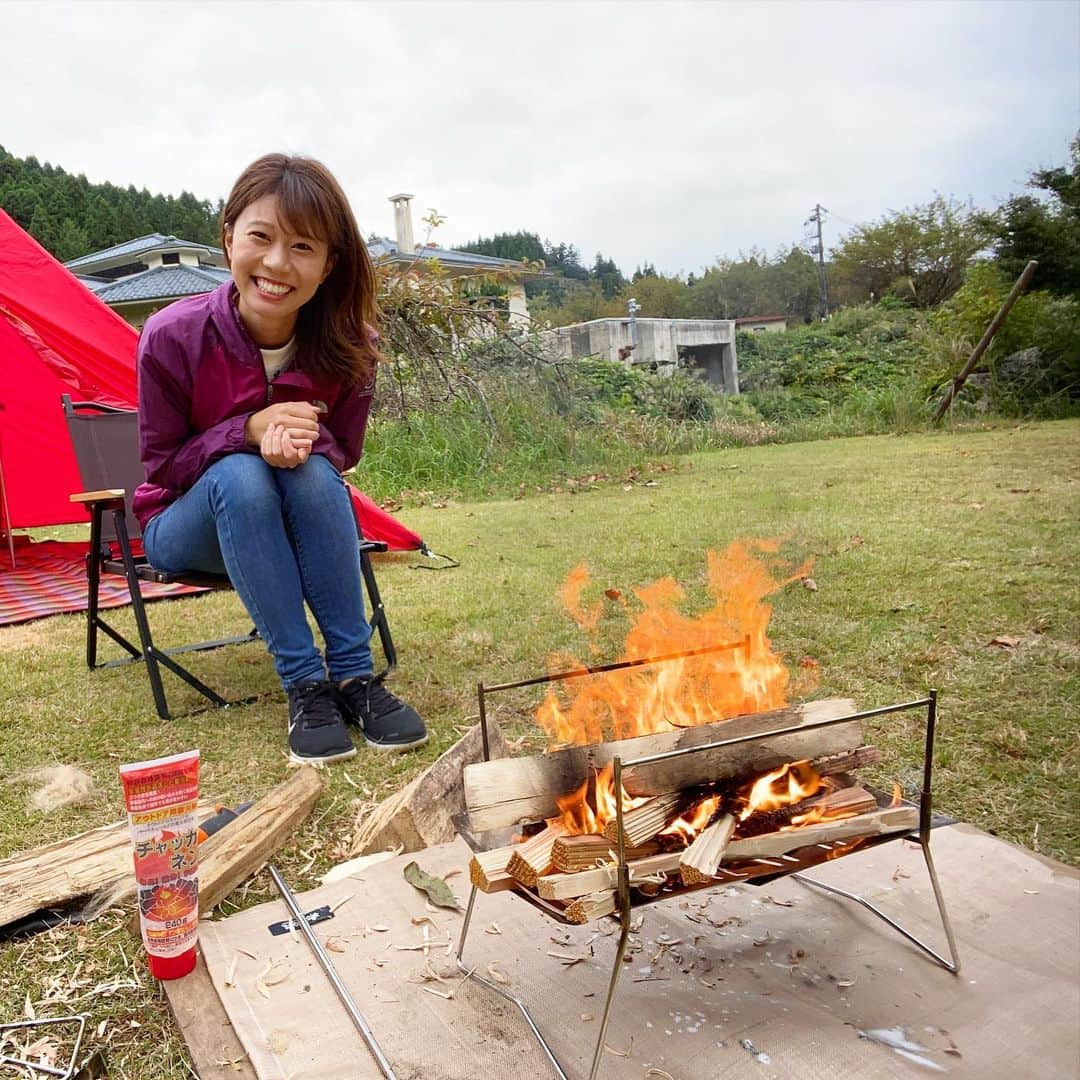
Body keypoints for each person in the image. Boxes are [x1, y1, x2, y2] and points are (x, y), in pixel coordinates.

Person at [133, 152, 427, 764]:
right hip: (183, 524)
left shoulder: (352, 345)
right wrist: (246, 430)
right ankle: (303, 682)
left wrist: (295, 441)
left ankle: (353, 678)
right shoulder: (170, 335)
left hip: (289, 513)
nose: (275, 264)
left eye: (301, 246)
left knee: (314, 473)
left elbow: (342, 449)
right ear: (228, 237)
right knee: (241, 476)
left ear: (328, 265)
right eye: (260, 237)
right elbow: (161, 466)